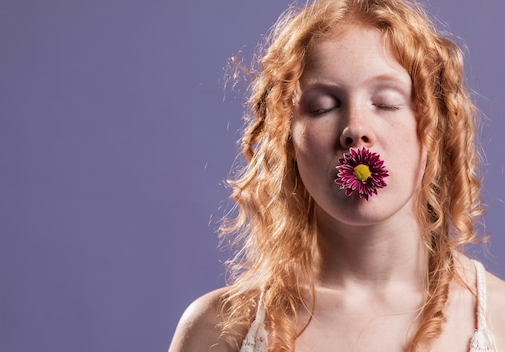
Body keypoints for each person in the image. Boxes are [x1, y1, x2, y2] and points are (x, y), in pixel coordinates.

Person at [169, 0, 505, 351]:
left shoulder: (498, 319)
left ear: (435, 128)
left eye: (387, 103)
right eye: (323, 107)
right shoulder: (220, 330)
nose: (355, 129)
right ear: (286, 137)